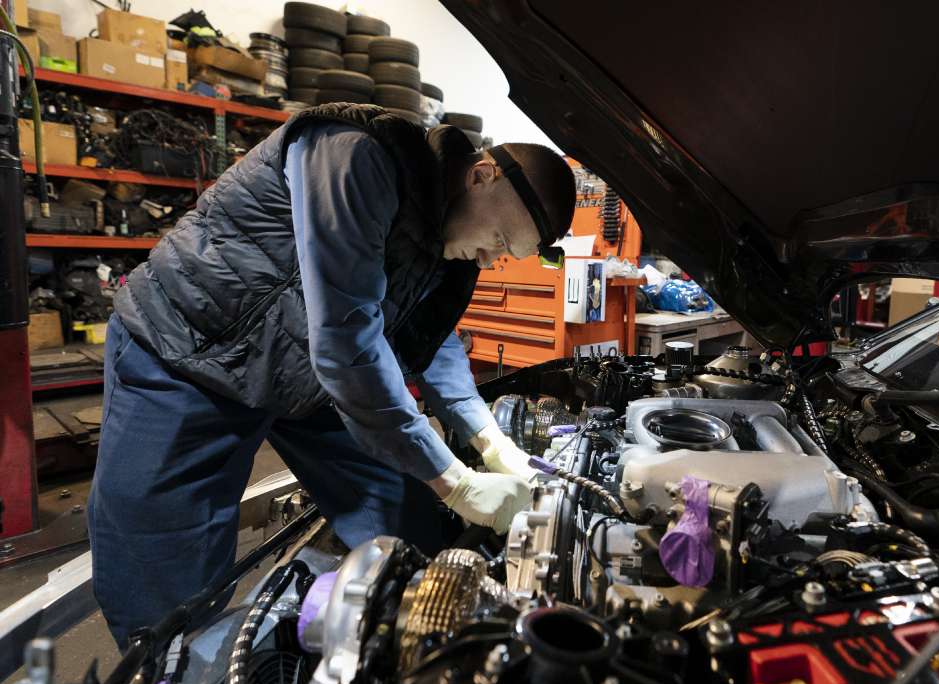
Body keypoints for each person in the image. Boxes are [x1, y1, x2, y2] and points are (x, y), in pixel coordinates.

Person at [88, 103, 577, 645]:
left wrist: (487, 439)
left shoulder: (449, 228)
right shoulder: (355, 158)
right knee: (167, 577)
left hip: (302, 373)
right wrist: (455, 479)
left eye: (507, 257)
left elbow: (428, 343)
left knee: (405, 517)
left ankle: (402, 643)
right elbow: (347, 343)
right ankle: (172, 673)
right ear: (481, 174)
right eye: (502, 241)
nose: (491, 261)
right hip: (190, 351)